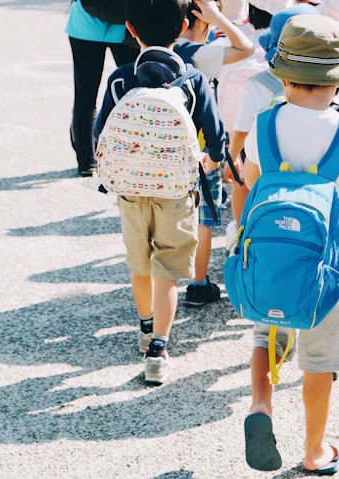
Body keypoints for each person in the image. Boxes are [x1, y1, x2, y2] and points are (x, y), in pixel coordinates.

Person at [241, 14, 339, 473]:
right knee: (319, 361)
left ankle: (260, 406)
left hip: (270, 258)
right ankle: (314, 451)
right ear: (338, 80)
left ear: (284, 74)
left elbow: (251, 190)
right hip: (327, 270)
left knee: (265, 335)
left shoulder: (264, 125)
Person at [93, 0, 225, 384]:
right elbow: (215, 136)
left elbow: (102, 132)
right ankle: (158, 352)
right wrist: (208, 159)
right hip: (176, 189)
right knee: (167, 271)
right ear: (184, 25)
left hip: (131, 189)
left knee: (141, 265)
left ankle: (145, 327)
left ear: (130, 29)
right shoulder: (192, 79)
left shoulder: (120, 78)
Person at [175, 0, 255, 308]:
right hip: (199, 150)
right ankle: (198, 284)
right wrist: (219, 17)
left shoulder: (159, 50)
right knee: (202, 218)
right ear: (198, 19)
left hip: (165, 150)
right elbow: (245, 48)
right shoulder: (199, 53)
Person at [225, 3, 318, 227]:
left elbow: (242, 128)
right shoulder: (327, 87)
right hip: (312, 160)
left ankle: (242, 233)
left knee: (242, 183)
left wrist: (232, 157)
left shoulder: (257, 84)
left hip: (266, 161)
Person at [66, 0, 139, 176]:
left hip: (85, 23)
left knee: (85, 96)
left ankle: (87, 162)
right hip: (127, 28)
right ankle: (135, 157)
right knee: (135, 94)